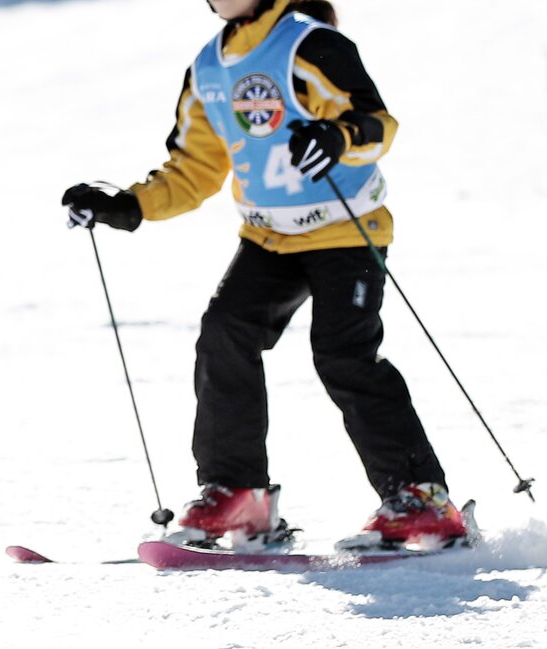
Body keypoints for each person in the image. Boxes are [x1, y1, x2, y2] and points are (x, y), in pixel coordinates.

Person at [61, 0, 469, 550]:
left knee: (342, 355)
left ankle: (420, 497)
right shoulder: (211, 67)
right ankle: (239, 496)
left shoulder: (308, 43)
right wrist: (128, 205)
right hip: (268, 236)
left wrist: (337, 139)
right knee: (225, 332)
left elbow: (376, 123)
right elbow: (192, 169)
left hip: (343, 230)